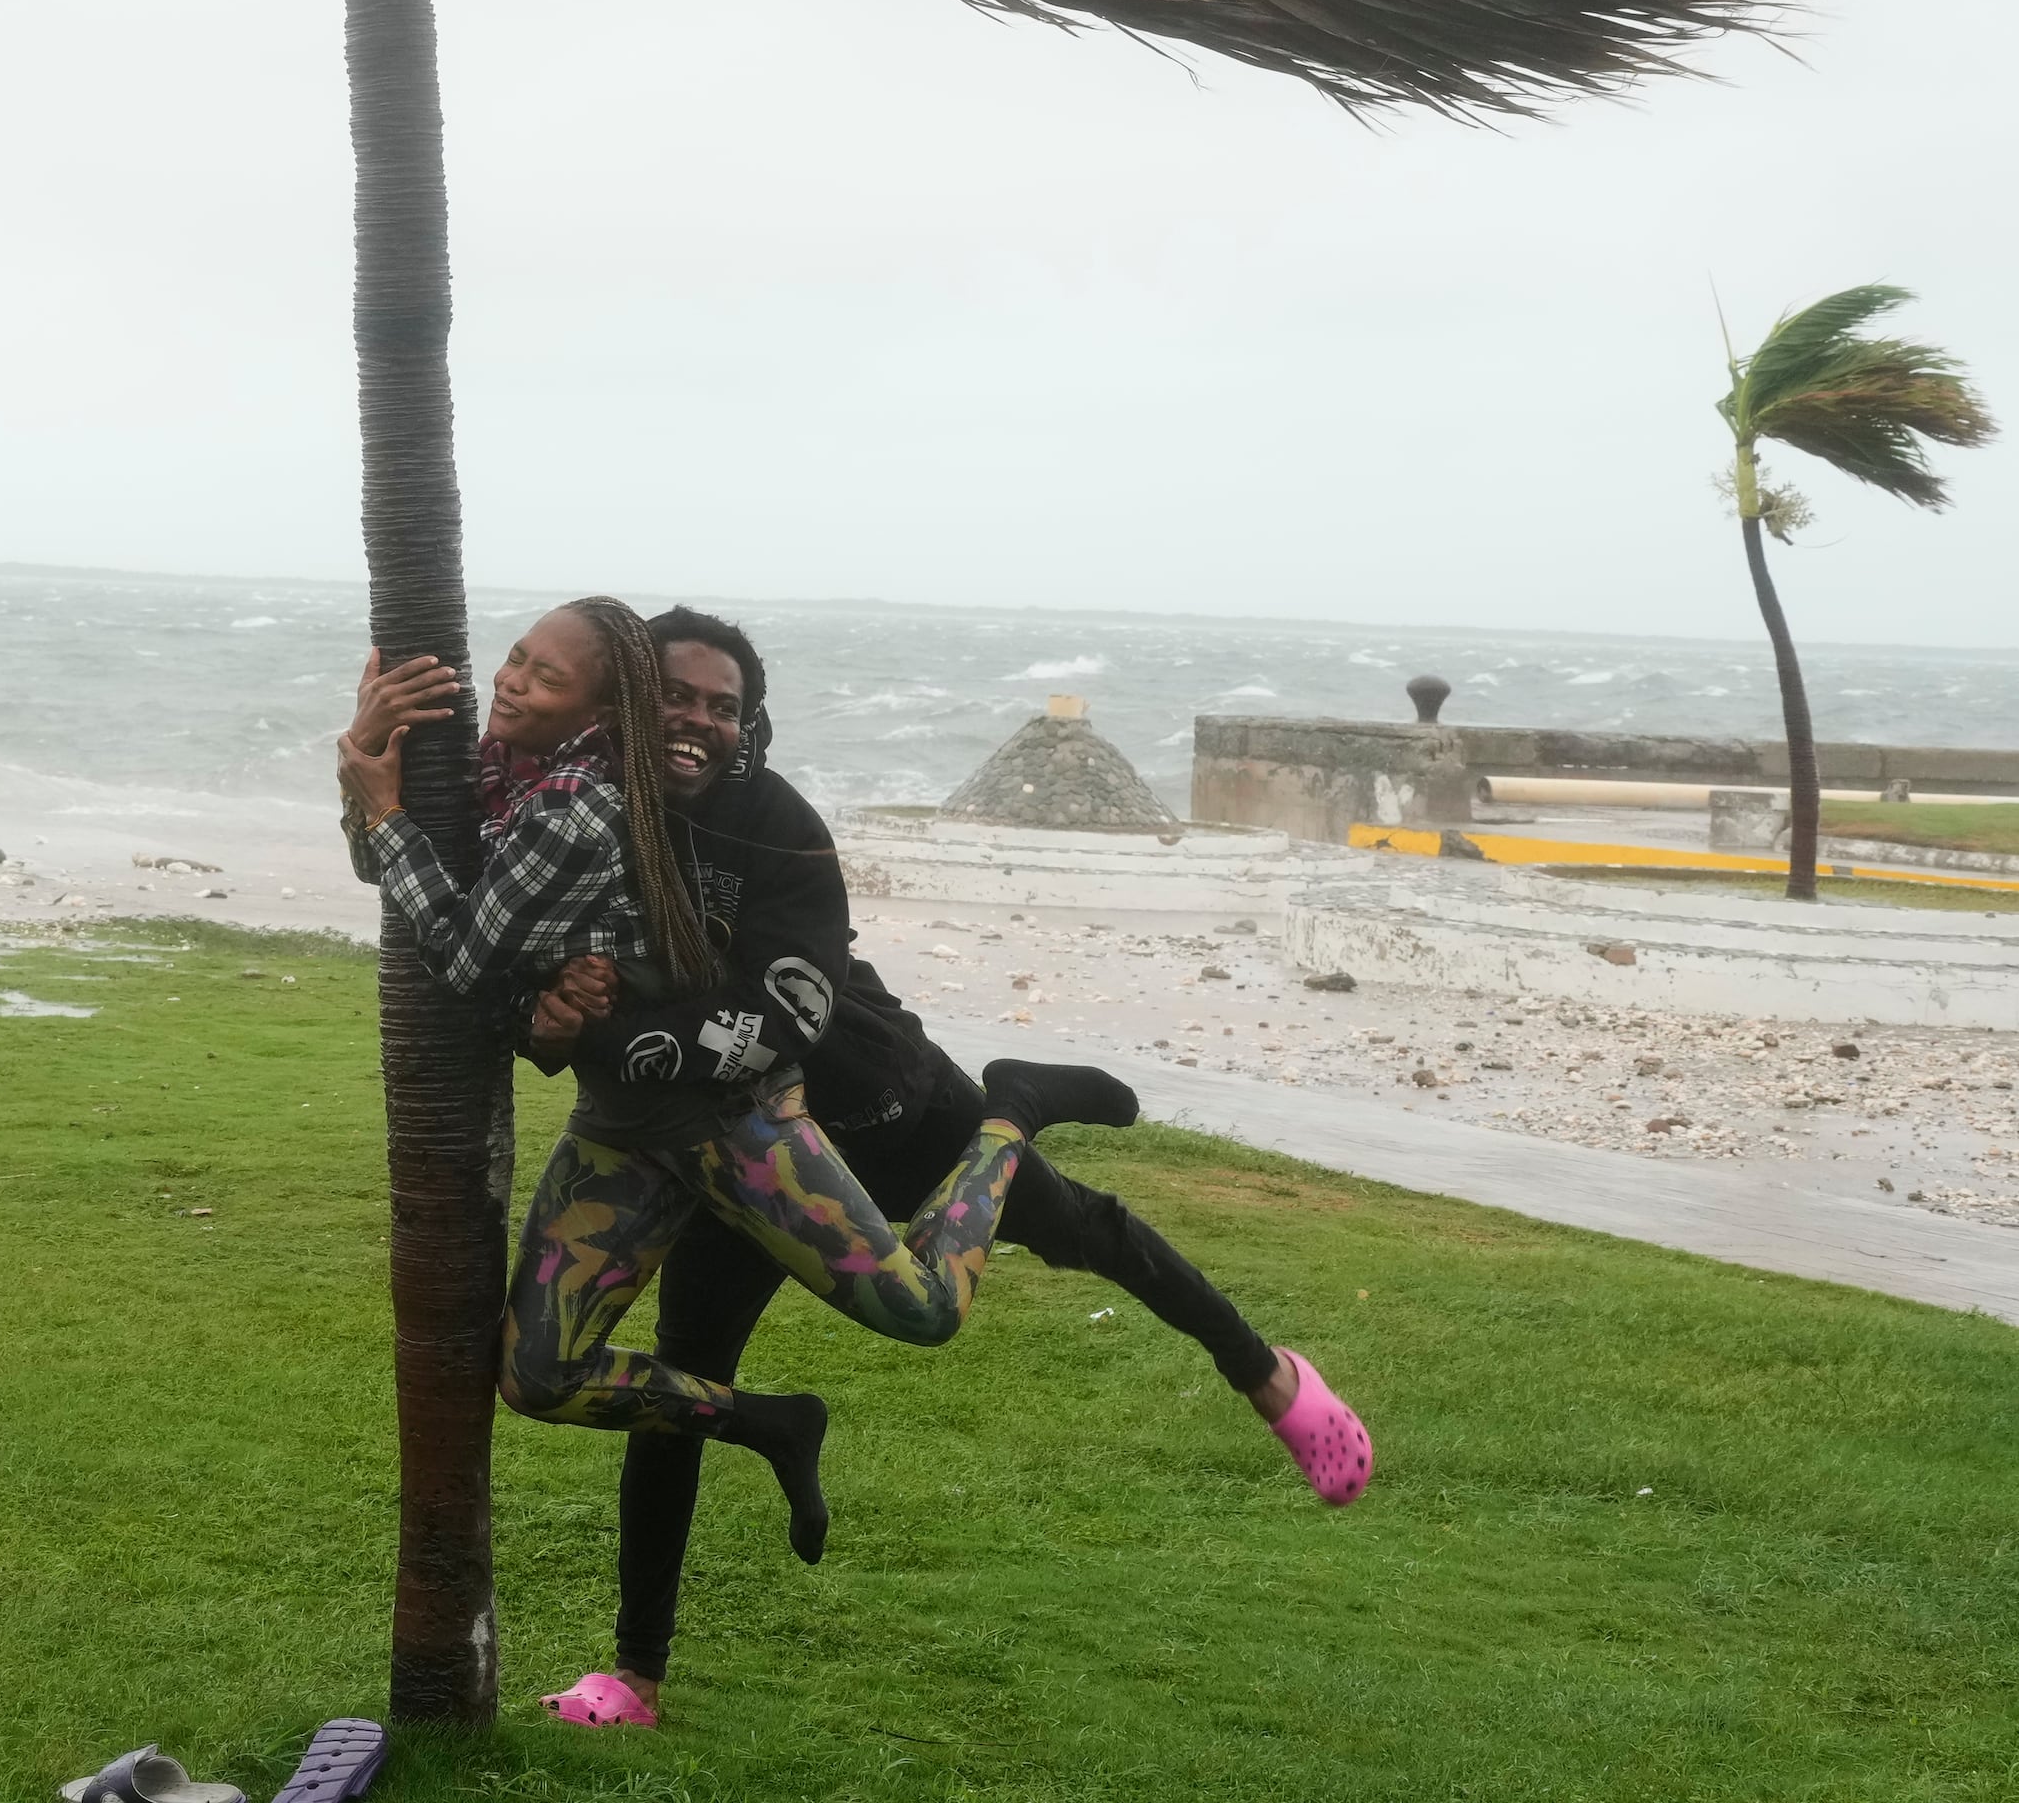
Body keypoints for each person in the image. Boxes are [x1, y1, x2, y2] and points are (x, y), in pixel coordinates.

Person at [524, 606, 1372, 1726]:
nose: (697, 720)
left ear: (749, 726)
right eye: (675, 695)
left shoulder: (775, 823)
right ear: (634, 698)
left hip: (884, 1102)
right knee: (683, 1379)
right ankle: (635, 1676)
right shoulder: (586, 809)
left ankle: (1264, 1372)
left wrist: (612, 1034)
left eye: (722, 707)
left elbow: (788, 1006)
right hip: (725, 1142)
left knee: (1081, 1231)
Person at [334, 599, 1102, 1576]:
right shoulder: (507, 774)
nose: (512, 680)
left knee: (923, 1310)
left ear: (600, 712)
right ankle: (772, 1423)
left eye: (546, 674)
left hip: (734, 1120)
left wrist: (385, 810)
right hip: (624, 1122)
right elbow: (411, 879)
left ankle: (1011, 1113)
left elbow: (463, 956)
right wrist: (370, 761)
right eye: (516, 658)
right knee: (537, 1374)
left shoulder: (577, 806)